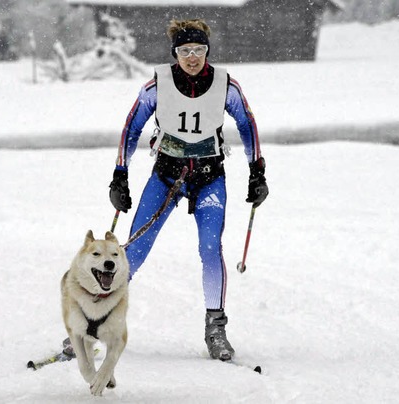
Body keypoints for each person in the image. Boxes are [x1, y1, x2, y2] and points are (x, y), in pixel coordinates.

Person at [107, 18, 269, 361]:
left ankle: (216, 329)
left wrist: (257, 171)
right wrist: (120, 175)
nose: (192, 57)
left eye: (198, 50)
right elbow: (131, 128)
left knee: (210, 249)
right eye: (185, 51)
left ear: (207, 51)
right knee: (133, 250)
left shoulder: (226, 85)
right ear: (175, 53)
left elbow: (247, 123)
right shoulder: (157, 85)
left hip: (209, 177)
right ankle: (98, 323)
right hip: (166, 176)